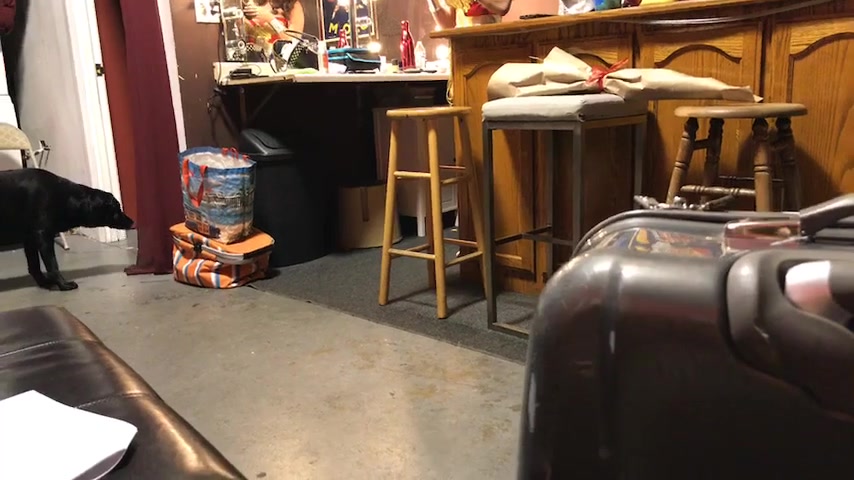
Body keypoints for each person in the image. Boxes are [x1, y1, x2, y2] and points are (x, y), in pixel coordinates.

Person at [427, 0, 513, 29]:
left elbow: (502, 8)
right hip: (462, 46)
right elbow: (449, 25)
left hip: (489, 42)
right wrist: (432, 2)